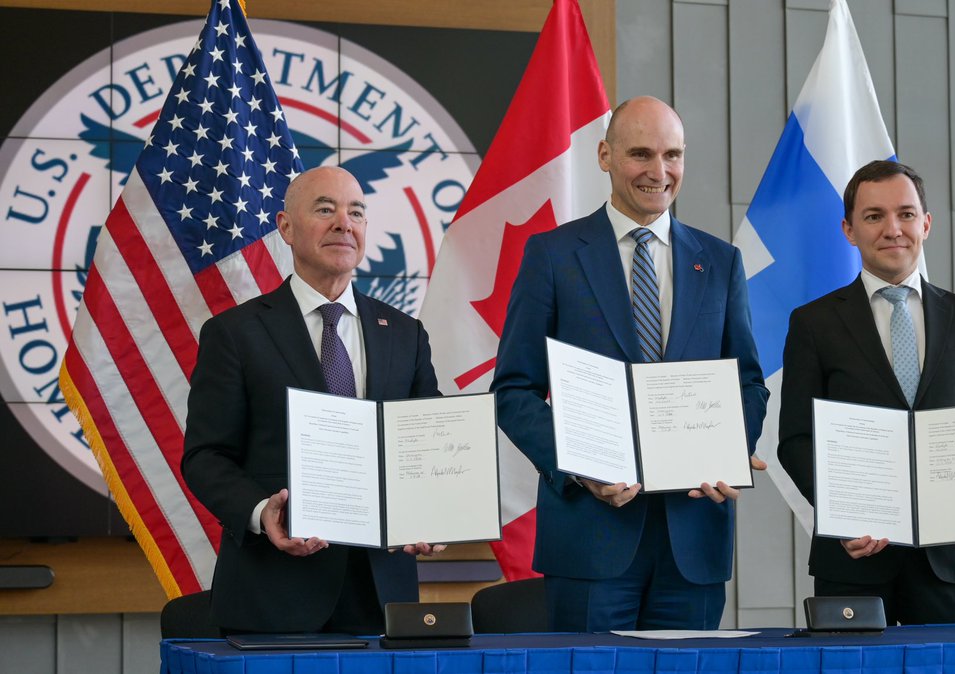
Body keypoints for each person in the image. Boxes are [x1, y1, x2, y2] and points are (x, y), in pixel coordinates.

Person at [491, 96, 769, 631]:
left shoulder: (721, 261)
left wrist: (732, 448)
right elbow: (515, 389)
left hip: (694, 539)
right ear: (604, 156)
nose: (658, 172)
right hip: (590, 536)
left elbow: (748, 382)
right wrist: (579, 464)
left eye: (673, 155)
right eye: (641, 153)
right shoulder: (552, 255)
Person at [182, 166, 442, 634]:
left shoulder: (406, 334)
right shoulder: (234, 334)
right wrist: (263, 512)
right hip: (272, 595)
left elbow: (427, 446)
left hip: (382, 597)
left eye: (356, 212)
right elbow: (205, 456)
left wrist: (436, 511)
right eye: (325, 209)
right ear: (285, 226)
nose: (344, 223)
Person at [777, 159, 955, 625]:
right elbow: (797, 440)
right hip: (853, 557)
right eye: (873, 216)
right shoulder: (814, 323)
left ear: (926, 223)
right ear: (849, 229)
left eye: (905, 214)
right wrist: (840, 514)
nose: (892, 229)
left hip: (951, 558)